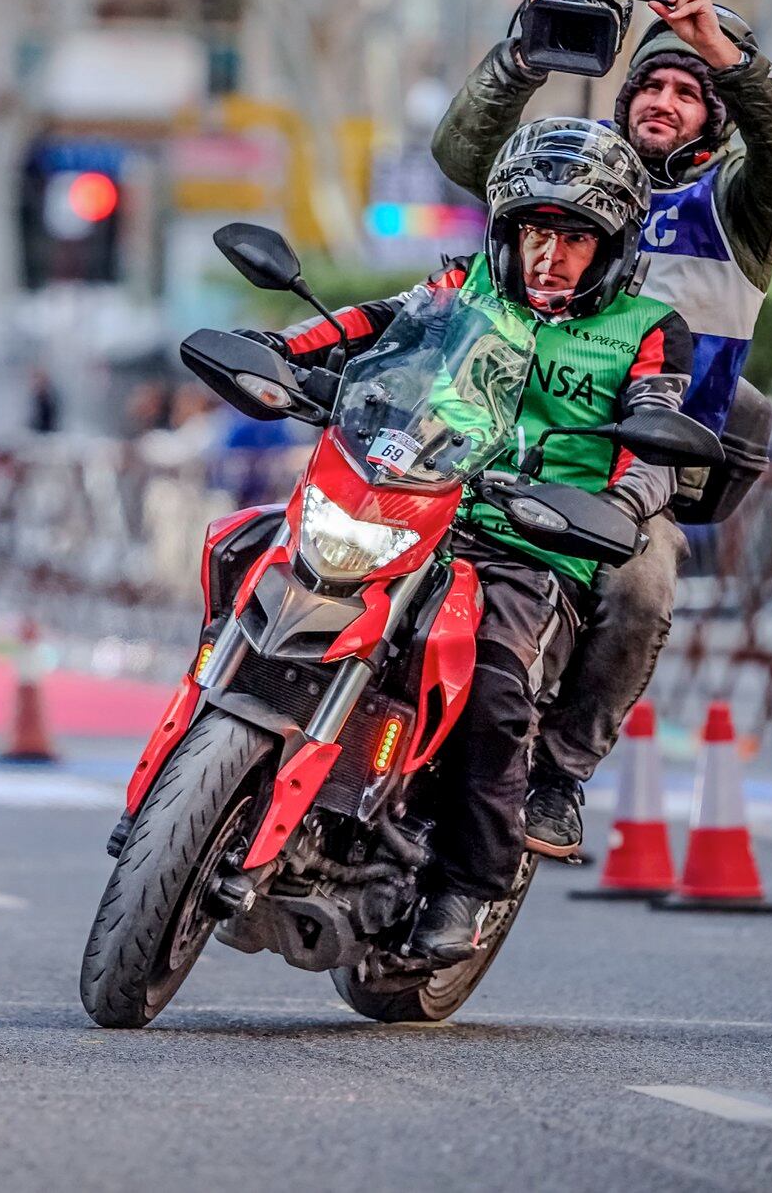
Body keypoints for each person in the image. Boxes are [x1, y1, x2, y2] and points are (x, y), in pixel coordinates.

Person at [259, 119, 692, 960]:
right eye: (536, 230)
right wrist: (279, 350)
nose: (550, 254)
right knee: (254, 553)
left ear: (612, 245)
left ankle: (468, 884)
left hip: (537, 544)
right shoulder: (464, 287)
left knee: (494, 682)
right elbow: (370, 325)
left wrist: (618, 508)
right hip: (416, 508)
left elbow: (655, 439)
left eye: (575, 237)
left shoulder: (648, 325)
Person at [431, 0, 772, 856]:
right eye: (651, 80)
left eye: (689, 91)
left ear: (714, 114)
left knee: (642, 585)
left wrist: (717, 47)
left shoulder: (741, 205)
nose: (666, 98)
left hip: (629, 477)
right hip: (491, 444)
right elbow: (462, 157)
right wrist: (522, 56)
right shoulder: (559, 171)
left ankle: (562, 773)